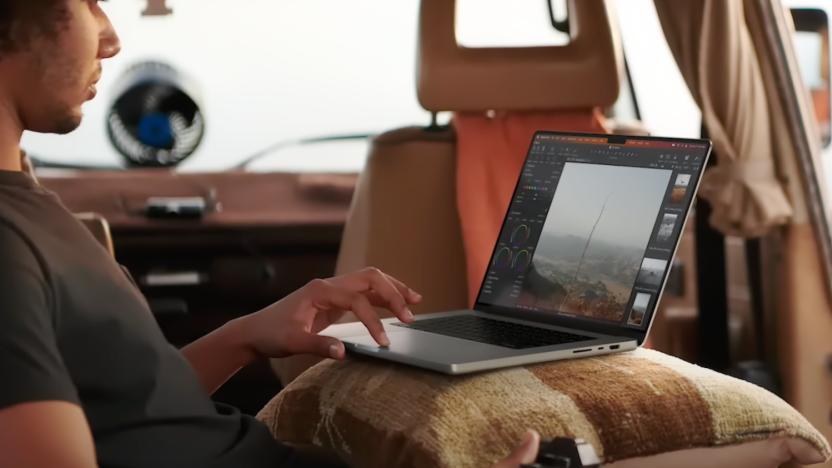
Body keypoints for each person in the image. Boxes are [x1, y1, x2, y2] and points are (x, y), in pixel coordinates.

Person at [0, 1, 541, 467]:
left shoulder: (29, 206)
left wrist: (247, 336)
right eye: (90, 3)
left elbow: (129, 411)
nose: (112, 38)